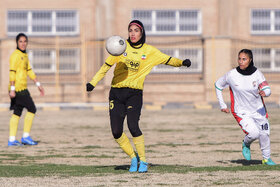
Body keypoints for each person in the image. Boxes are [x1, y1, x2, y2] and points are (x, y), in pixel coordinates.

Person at [86, 20, 191, 172]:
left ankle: (143, 161)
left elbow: (168, 60)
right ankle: (133, 157)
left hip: (134, 94)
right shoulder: (120, 47)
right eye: (130, 30)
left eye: (136, 30)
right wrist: (93, 83)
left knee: (133, 126)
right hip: (116, 93)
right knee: (116, 131)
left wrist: (182, 62)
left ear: (142, 33)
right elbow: (105, 67)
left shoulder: (150, 51)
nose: (133, 33)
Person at [215, 49, 276, 165]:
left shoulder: (257, 73)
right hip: (241, 111)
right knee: (254, 134)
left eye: (244, 59)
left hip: (259, 110)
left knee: (264, 134)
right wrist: (222, 104)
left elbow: (266, 88)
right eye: (239, 59)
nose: (241, 62)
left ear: (250, 60)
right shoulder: (231, 75)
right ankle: (246, 143)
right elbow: (218, 85)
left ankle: (266, 159)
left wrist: (266, 92)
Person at [8, 33, 44, 146]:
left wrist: (38, 84)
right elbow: (12, 73)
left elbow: (29, 71)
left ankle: (12, 139)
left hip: (22, 88)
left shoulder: (25, 55)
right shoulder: (15, 55)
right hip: (18, 89)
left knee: (17, 112)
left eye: (25, 41)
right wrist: (12, 89)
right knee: (32, 109)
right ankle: (25, 137)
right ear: (17, 43)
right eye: (21, 41)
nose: (23, 44)